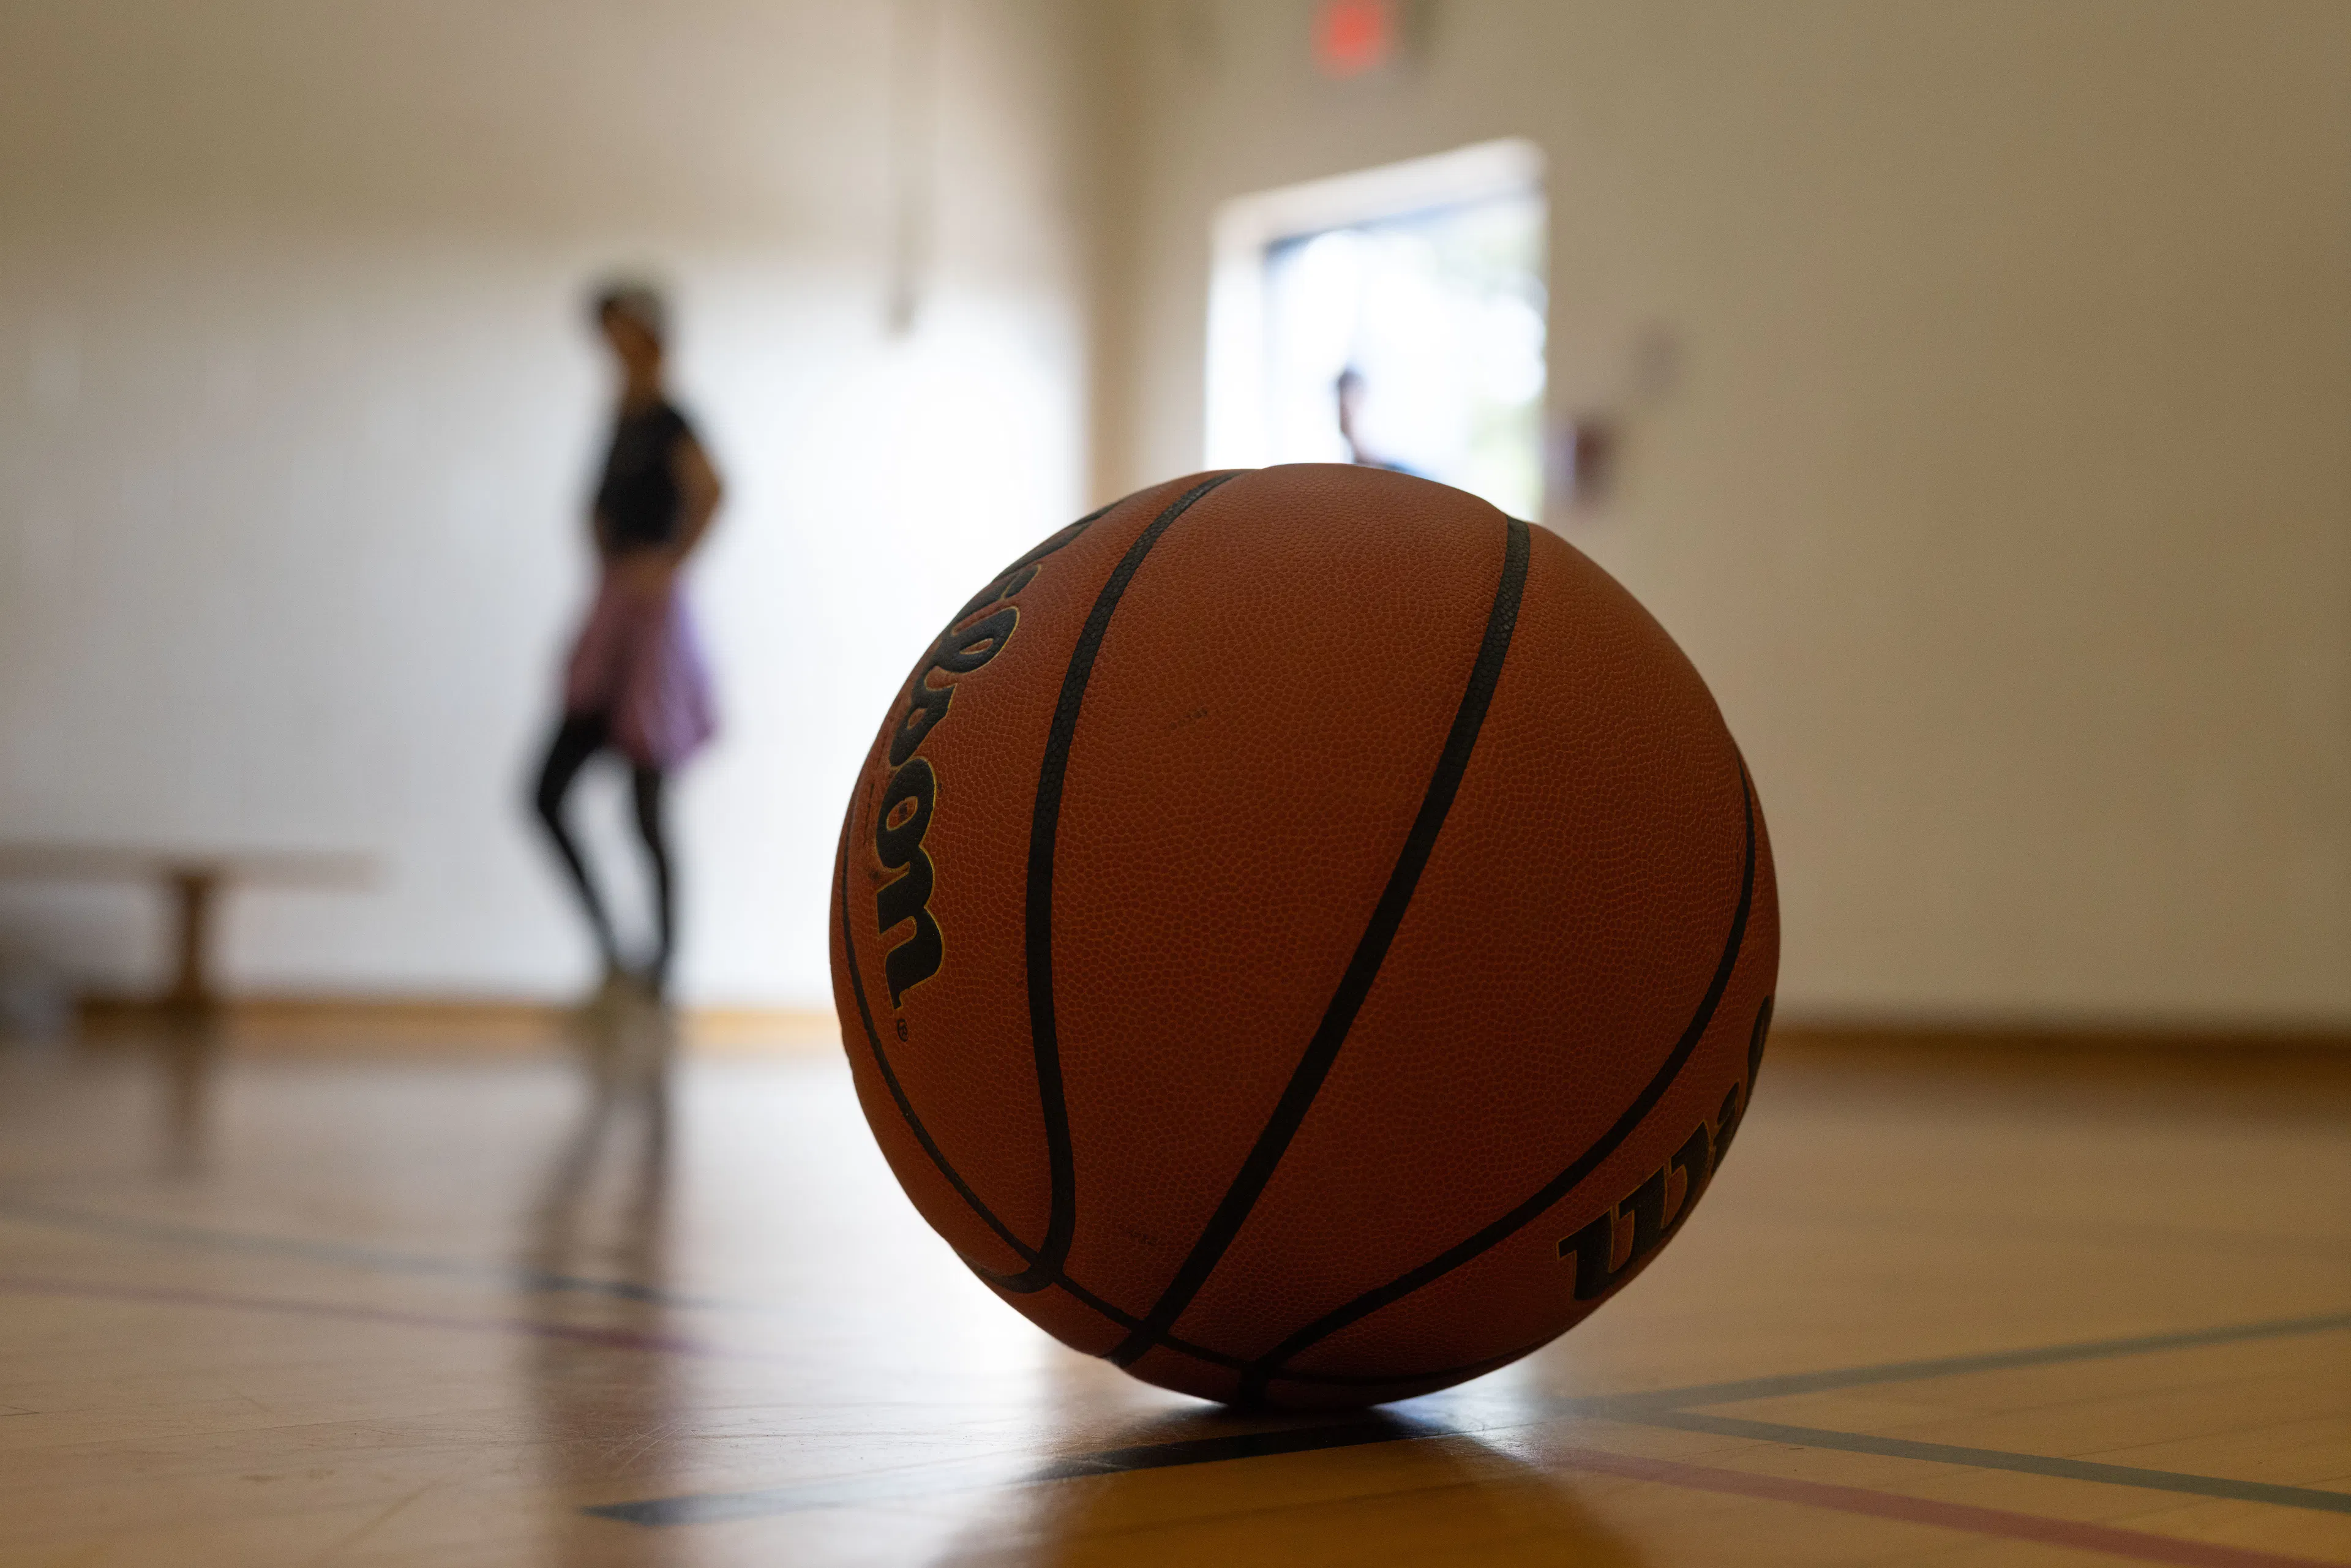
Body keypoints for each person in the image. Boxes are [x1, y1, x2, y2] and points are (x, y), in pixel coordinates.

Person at [532, 282, 722, 1000]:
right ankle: (616, 956)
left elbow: (714, 490)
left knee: (647, 809)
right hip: (610, 624)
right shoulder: (619, 417)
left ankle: (661, 977)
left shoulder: (673, 420)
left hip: (650, 634)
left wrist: (668, 565)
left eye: (622, 332)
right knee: (546, 794)